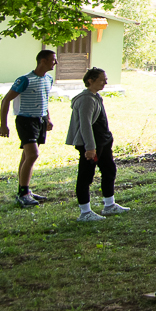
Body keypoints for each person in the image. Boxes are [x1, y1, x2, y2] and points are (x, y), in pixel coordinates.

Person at [66, 67, 127, 221]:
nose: (105, 82)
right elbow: (85, 125)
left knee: (109, 170)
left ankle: (109, 205)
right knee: (86, 176)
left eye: (105, 79)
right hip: (92, 145)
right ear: (90, 81)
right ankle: (85, 212)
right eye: (102, 80)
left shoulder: (96, 97)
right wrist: (90, 147)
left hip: (102, 142)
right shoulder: (86, 99)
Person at [0, 49, 57, 207]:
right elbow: (6, 100)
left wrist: (48, 118)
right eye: (53, 59)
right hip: (26, 120)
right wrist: (3, 124)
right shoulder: (25, 80)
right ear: (43, 61)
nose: (56, 62)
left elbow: (44, 99)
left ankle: (24, 190)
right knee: (32, 155)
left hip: (40, 120)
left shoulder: (48, 79)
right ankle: (23, 193)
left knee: (27, 156)